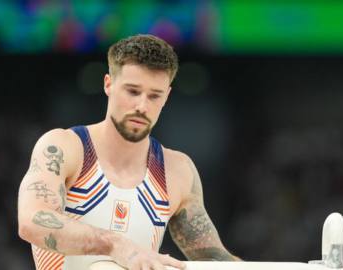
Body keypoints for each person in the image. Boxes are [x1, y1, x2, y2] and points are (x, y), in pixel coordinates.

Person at [18, 34, 239, 270]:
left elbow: (216, 261)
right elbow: (32, 221)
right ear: (108, 84)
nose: (142, 107)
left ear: (167, 97)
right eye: (133, 91)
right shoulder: (64, 148)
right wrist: (116, 245)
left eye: (155, 96)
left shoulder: (177, 171)